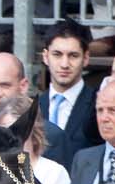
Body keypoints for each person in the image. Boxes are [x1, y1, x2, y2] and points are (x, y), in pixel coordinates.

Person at [40, 19, 101, 167]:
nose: (64, 64)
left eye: (73, 55)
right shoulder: (33, 107)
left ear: (85, 58)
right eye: (57, 54)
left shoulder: (99, 105)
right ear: (45, 57)